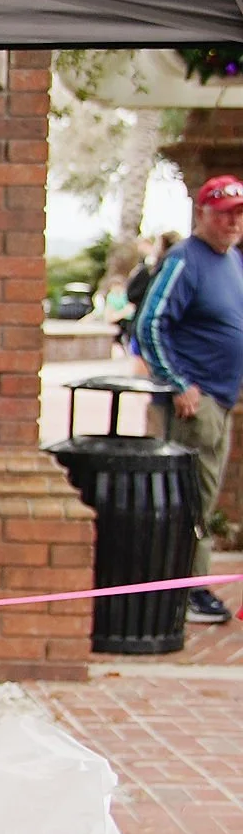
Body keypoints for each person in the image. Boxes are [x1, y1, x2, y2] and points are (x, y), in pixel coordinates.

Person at [132, 175, 243, 624]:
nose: (233, 221)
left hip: (222, 397)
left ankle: (189, 584)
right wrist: (178, 383)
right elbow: (150, 324)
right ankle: (185, 590)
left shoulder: (231, 259)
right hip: (196, 403)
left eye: (239, 214)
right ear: (203, 214)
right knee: (192, 496)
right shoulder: (186, 260)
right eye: (225, 213)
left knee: (207, 494)